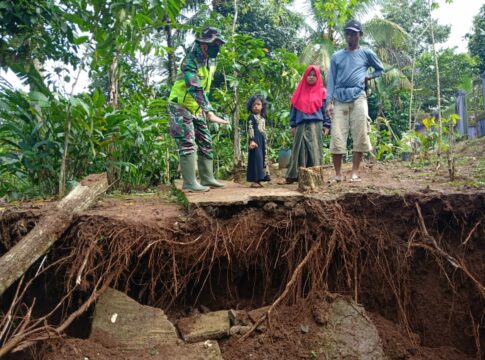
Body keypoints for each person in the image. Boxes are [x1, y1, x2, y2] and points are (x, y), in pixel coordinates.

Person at [168, 27, 229, 192]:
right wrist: (209, 111)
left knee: (205, 140)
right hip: (179, 106)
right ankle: (189, 183)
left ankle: (207, 178)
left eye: (219, 44)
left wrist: (203, 108)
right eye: (214, 44)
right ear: (203, 44)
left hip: (196, 107)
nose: (217, 47)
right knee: (187, 141)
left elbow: (205, 88)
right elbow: (194, 87)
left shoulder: (210, 61)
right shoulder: (189, 61)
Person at [325, 20, 384, 182]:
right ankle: (337, 174)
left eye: (353, 34)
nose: (350, 37)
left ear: (360, 35)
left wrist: (368, 76)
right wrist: (328, 102)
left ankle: (354, 172)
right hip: (339, 98)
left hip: (358, 96)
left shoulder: (366, 53)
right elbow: (331, 80)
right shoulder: (337, 56)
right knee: (337, 134)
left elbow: (380, 69)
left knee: (360, 132)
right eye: (347, 34)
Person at [281, 65, 331, 184]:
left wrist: (327, 125)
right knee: (298, 149)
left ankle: (315, 176)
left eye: (314, 75)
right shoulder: (298, 91)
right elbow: (293, 109)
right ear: (305, 76)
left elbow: (326, 110)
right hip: (300, 124)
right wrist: (292, 125)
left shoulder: (323, 92)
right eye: (309, 75)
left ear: (318, 77)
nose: (311, 77)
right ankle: (294, 176)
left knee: (314, 149)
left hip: (316, 124)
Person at [246, 95, 271, 188]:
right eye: (253, 105)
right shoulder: (251, 117)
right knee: (256, 160)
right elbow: (250, 129)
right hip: (255, 142)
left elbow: (263, 131)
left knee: (262, 160)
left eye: (258, 104)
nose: (256, 106)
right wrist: (252, 140)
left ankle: (260, 179)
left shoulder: (263, 118)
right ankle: (254, 180)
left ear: (262, 106)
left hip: (262, 143)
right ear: (251, 107)